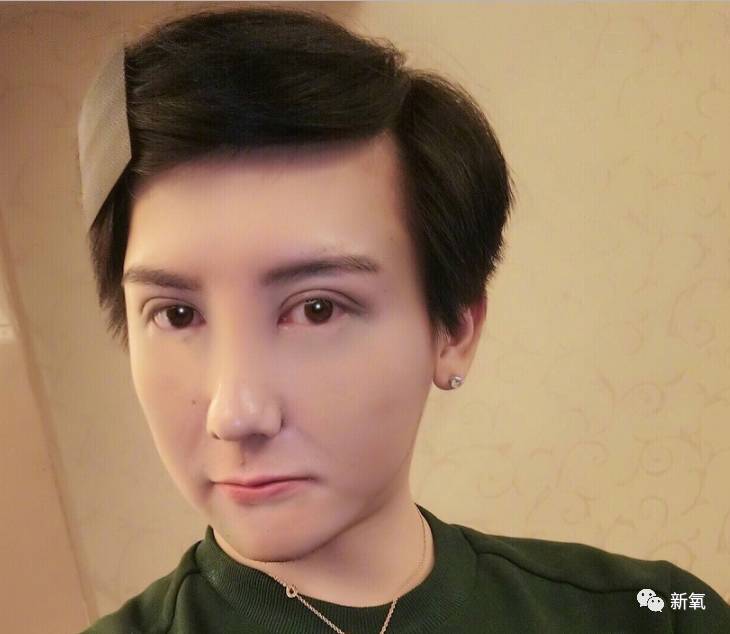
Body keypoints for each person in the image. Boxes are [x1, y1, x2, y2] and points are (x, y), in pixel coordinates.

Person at [77, 6, 729, 633]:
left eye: (317, 309)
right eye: (178, 315)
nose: (237, 413)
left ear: (455, 329)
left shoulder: (656, 613)